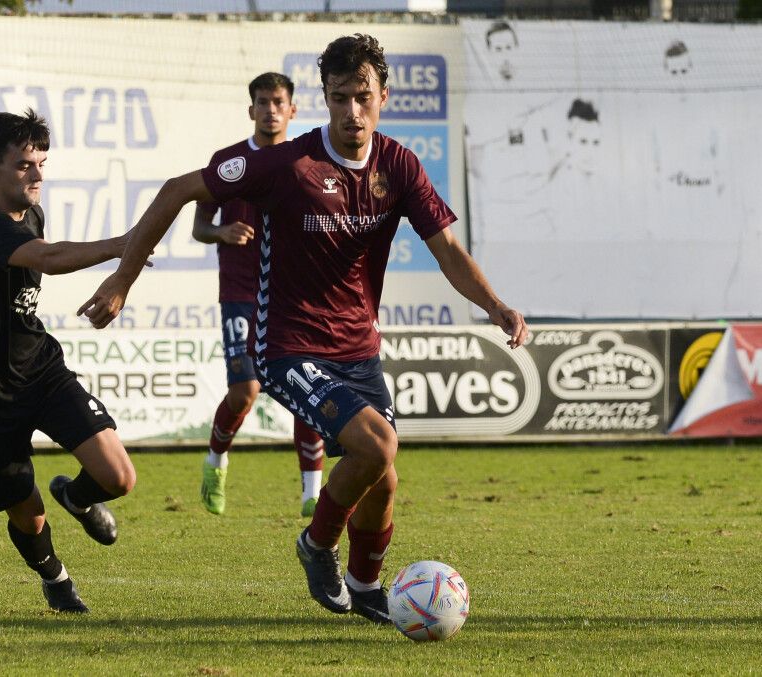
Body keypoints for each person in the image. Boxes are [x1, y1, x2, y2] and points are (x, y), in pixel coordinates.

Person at [78, 34, 528, 625]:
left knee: (383, 480)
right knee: (377, 446)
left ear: (383, 98)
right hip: (288, 346)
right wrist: (122, 281)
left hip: (359, 350)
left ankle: (366, 587)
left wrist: (495, 306)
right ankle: (316, 545)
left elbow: (446, 250)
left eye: (362, 97)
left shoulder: (399, 166)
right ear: (325, 99)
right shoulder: (286, 164)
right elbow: (177, 191)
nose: (351, 112)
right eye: (339, 98)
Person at [0, 109, 138, 614]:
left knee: (119, 477)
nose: (38, 175)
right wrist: (123, 244)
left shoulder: (30, 211)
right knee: (28, 515)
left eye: (42, 163)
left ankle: (80, 498)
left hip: (39, 369)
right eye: (25, 165)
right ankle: (57, 580)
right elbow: (47, 258)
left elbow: (42, 250)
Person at [191, 72, 326, 518]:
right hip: (241, 291)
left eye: (278, 101)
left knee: (305, 390)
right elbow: (199, 226)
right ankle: (216, 461)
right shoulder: (229, 161)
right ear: (251, 110)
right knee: (245, 391)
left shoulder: (306, 162)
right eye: (262, 102)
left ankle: (312, 493)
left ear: (293, 110)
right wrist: (222, 231)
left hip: (292, 294)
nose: (270, 109)